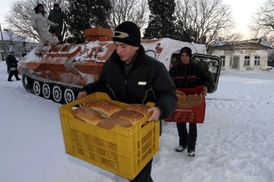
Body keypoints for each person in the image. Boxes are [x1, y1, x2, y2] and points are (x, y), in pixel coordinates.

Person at [77, 21, 177, 182]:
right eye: (116, 45)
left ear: (136, 45)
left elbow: (169, 94)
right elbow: (102, 84)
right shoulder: (111, 65)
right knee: (122, 167)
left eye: (123, 46)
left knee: (139, 175)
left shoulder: (154, 68)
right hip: (116, 126)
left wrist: (160, 109)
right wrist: (87, 90)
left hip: (144, 130)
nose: (118, 51)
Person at [169, 46, 214, 157]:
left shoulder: (196, 69)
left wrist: (206, 87)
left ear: (190, 56)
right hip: (179, 100)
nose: (184, 58)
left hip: (193, 101)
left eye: (186, 56)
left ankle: (191, 147)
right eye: (182, 56)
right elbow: (167, 81)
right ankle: (182, 143)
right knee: (180, 120)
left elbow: (208, 81)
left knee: (193, 123)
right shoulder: (175, 69)